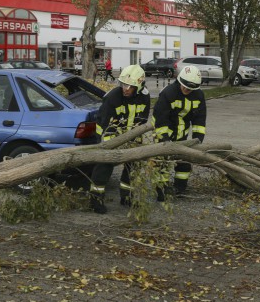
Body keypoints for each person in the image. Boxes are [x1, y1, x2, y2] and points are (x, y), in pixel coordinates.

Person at [89, 64, 151, 213]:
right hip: (109, 136)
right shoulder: (112, 98)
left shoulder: (145, 97)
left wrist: (134, 139)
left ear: (139, 86)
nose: (126, 89)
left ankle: (126, 196)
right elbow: (105, 125)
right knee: (105, 166)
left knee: (133, 166)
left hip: (132, 136)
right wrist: (111, 144)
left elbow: (141, 121)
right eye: (124, 84)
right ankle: (95, 200)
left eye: (130, 86)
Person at [152, 64, 207, 198]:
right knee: (162, 163)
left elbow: (199, 120)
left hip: (182, 133)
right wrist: (164, 139)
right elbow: (161, 119)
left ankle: (180, 189)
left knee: (184, 162)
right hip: (164, 131)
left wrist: (197, 139)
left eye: (190, 88)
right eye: (185, 87)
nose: (187, 90)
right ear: (180, 81)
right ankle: (160, 190)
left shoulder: (198, 95)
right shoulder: (168, 93)